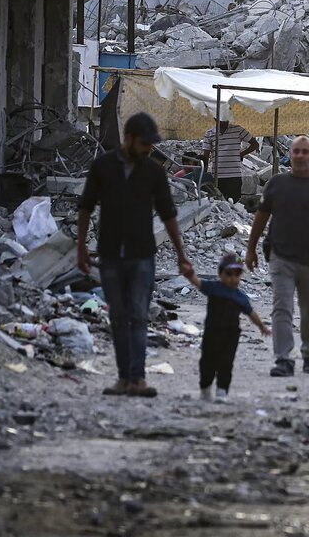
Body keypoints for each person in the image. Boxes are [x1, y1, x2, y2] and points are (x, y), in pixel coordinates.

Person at [78, 112, 193, 398]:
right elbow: (86, 207)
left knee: (139, 315)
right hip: (110, 254)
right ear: (128, 139)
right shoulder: (103, 166)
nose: (148, 150)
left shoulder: (152, 171)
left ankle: (138, 378)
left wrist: (181, 254)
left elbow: (168, 213)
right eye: (144, 144)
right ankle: (124, 378)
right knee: (118, 316)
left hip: (142, 254)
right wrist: (80, 247)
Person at [246, 135, 309, 378]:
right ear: (290, 154)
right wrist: (251, 248)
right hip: (281, 256)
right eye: (295, 151)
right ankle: (283, 358)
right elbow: (261, 217)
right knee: (282, 307)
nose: (299, 156)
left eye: (304, 152)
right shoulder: (277, 184)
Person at [187, 253, 269, 402]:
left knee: (226, 363)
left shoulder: (240, 296)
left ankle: (222, 390)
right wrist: (189, 274)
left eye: (237, 274)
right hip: (212, 333)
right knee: (207, 362)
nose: (233, 278)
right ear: (220, 274)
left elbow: (251, 312)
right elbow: (198, 283)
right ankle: (205, 388)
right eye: (229, 274)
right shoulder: (214, 288)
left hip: (231, 336)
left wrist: (262, 327)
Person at [201, 119, 258, 202]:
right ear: (215, 118)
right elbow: (205, 156)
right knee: (220, 204)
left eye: (226, 119)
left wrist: (242, 154)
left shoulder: (238, 130)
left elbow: (255, 144)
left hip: (234, 175)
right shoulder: (209, 134)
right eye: (222, 120)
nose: (225, 122)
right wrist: (203, 175)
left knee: (234, 204)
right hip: (217, 176)